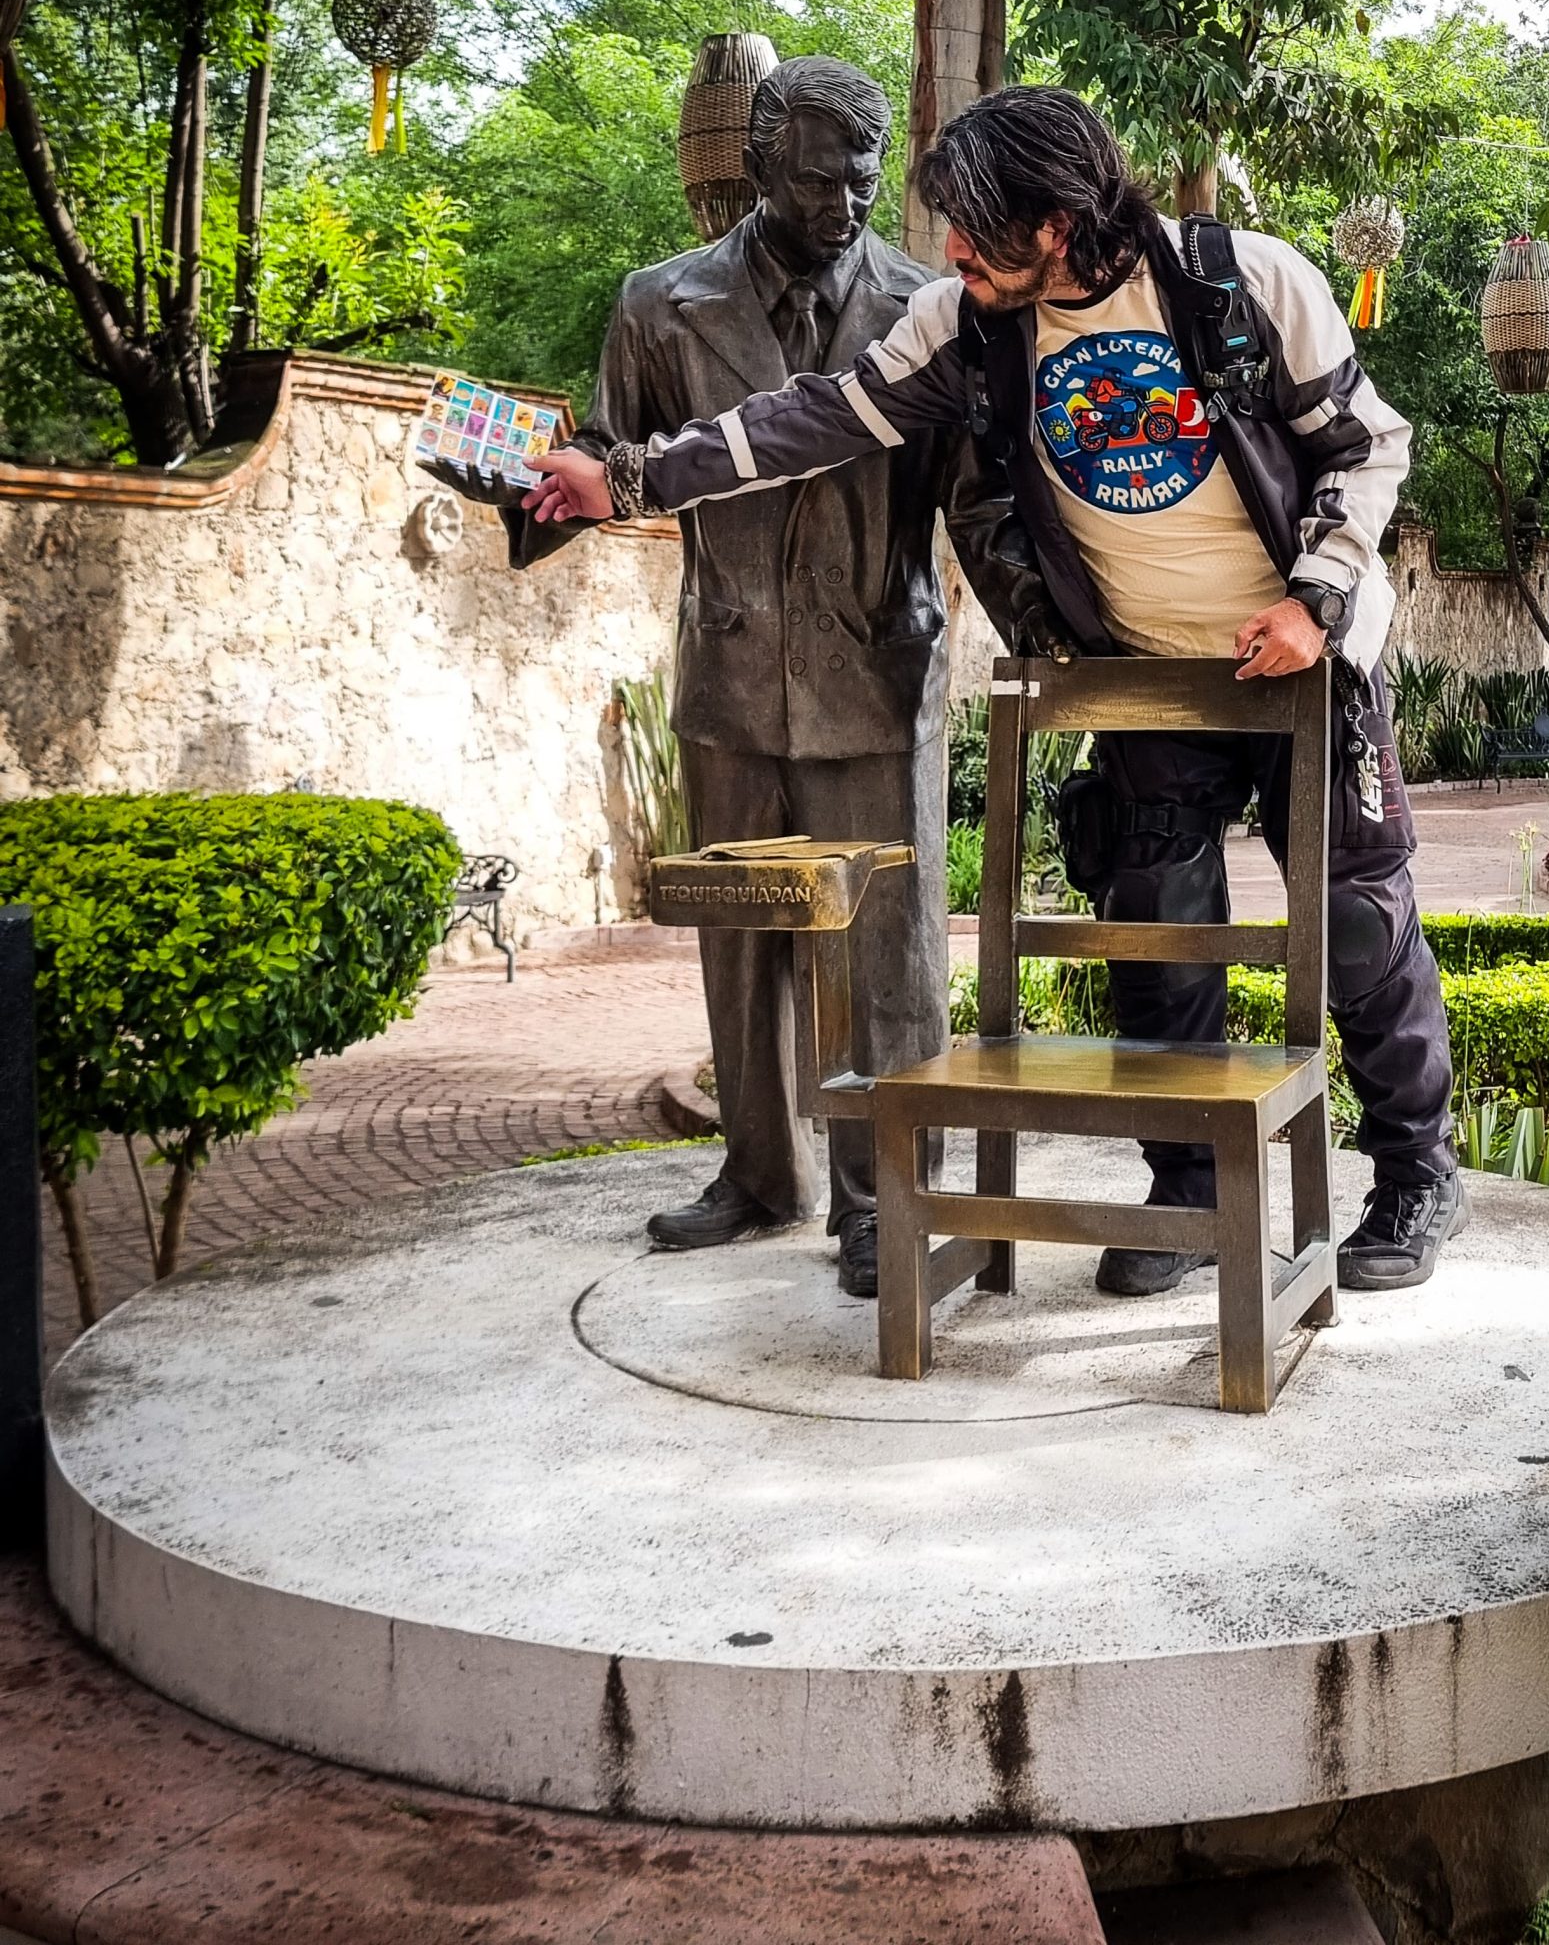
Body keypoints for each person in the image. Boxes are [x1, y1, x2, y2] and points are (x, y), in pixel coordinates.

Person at [525, 85, 1465, 1294]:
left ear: (1059, 220)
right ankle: (1191, 1194)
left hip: (1299, 665)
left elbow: (1367, 443)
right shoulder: (963, 324)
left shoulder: (1245, 283)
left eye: (973, 226)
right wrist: (630, 478)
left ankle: (1416, 1174)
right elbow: (811, 418)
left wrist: (1320, 597)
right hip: (1142, 679)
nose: (949, 248)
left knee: (1359, 934)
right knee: (1156, 941)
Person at [437, 57, 1057, 1298]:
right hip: (725, 660)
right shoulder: (658, 306)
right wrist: (523, 488)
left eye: (867, 178)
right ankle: (762, 1171)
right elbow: (614, 462)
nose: (847, 200)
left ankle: (890, 1191)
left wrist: (1052, 629)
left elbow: (980, 501)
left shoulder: (931, 307)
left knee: (894, 949)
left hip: (879, 667)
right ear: (764, 162)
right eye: (825, 175)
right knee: (743, 941)